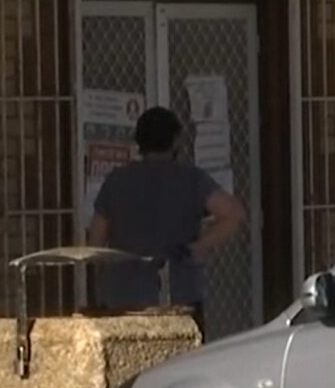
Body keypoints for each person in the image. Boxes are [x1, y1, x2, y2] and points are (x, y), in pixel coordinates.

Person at [88, 107, 246, 332]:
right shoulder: (191, 179)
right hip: (180, 296)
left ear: (139, 141)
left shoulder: (117, 181)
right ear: (175, 140)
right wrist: (197, 247)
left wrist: (101, 286)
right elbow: (233, 214)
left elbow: (95, 243)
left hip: (124, 298)